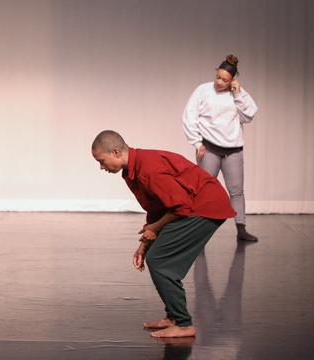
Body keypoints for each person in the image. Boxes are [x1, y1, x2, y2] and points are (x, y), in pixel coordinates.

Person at [91, 130, 236, 338]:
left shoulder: (147, 169)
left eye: (102, 161)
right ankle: (173, 317)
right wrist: (144, 244)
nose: (101, 167)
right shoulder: (132, 170)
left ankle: (184, 324)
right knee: (157, 257)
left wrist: (155, 229)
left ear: (115, 152)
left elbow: (181, 206)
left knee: (160, 261)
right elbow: (157, 208)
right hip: (193, 205)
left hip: (205, 205)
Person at [182, 54, 259, 242]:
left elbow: (249, 116)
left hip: (233, 150)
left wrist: (239, 94)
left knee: (236, 191)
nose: (220, 82)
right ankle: (197, 231)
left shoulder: (238, 94)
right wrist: (197, 142)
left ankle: (241, 229)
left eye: (225, 80)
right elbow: (189, 116)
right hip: (209, 148)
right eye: (218, 77)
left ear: (232, 80)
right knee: (203, 190)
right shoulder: (203, 90)